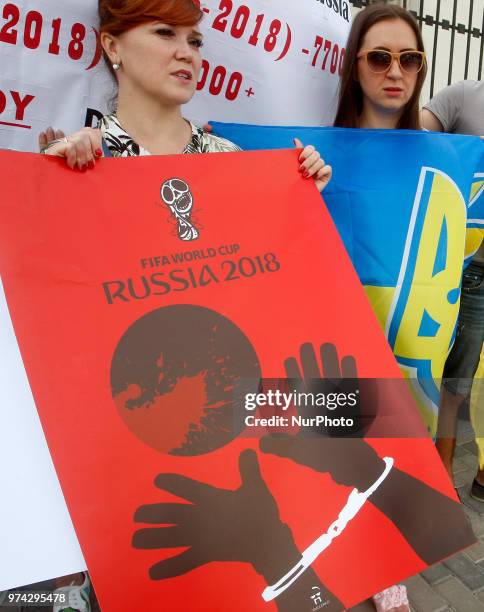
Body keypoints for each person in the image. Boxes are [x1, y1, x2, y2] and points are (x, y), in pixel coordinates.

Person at [332, 5, 428, 611]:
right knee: (341, 459)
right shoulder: (310, 153)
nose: (395, 71)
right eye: (379, 56)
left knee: (397, 459)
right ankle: (349, 565)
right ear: (355, 66)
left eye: (410, 58)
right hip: (332, 339)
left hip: (408, 344)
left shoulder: (444, 155)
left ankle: (386, 568)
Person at [41, 0, 331, 194]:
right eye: (165, 33)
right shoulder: (79, 159)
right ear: (112, 46)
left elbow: (256, 262)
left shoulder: (229, 157)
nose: (186, 53)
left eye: (195, 41)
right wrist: (49, 181)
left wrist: (297, 200)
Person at [422, 81, 484, 499]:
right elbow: (409, 138)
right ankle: (438, 463)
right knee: (453, 376)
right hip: (468, 270)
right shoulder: (463, 97)